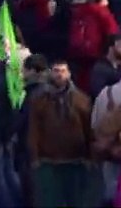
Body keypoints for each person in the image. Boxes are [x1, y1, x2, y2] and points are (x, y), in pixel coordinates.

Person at [27, 59, 95, 207]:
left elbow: (89, 128)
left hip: (76, 160)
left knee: (76, 200)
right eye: (56, 71)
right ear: (51, 73)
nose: (59, 75)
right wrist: (35, 156)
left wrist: (90, 156)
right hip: (48, 160)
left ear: (69, 74)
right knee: (49, 201)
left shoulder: (81, 99)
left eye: (63, 71)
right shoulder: (39, 100)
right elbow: (34, 129)